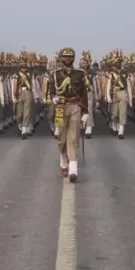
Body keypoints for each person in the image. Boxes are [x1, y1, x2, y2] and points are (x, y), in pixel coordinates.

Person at [47, 47, 88, 182]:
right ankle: (63, 159)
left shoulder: (80, 74)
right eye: (66, 57)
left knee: (73, 137)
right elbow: (52, 91)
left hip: (75, 106)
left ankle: (73, 169)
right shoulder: (55, 74)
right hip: (60, 107)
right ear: (62, 58)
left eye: (70, 57)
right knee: (61, 138)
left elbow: (84, 94)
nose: (68, 59)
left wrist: (86, 111)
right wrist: (54, 98)